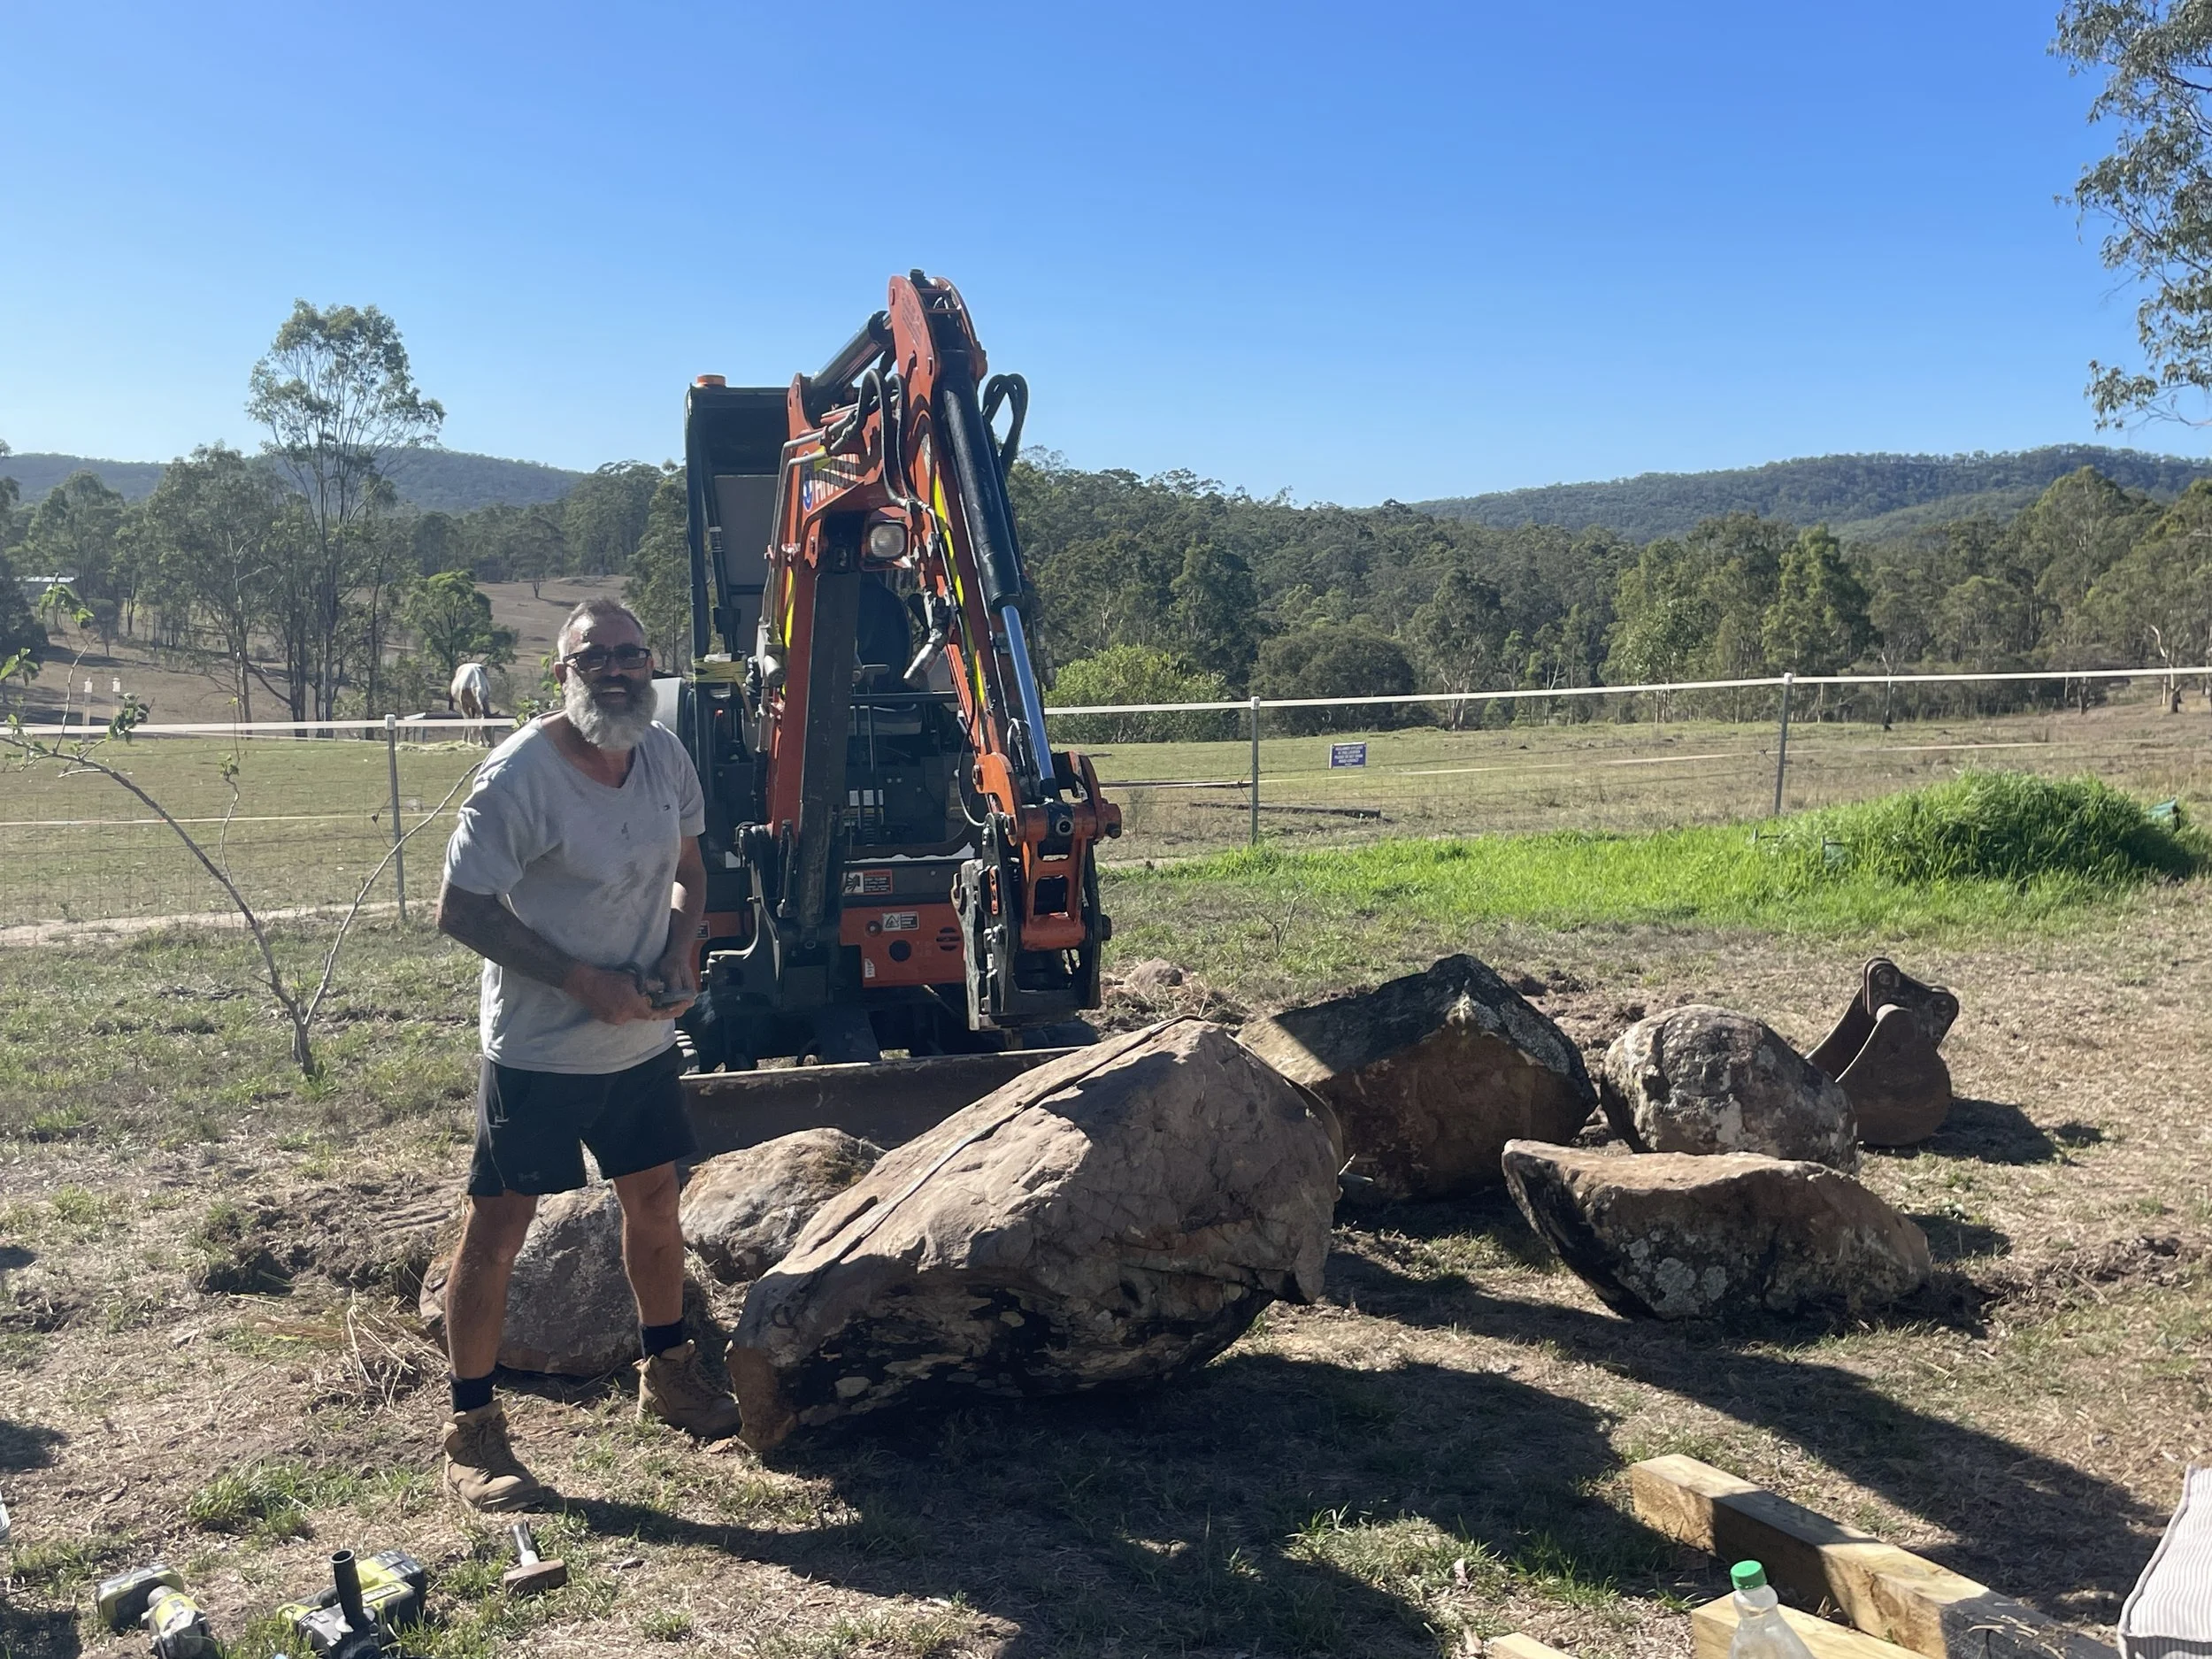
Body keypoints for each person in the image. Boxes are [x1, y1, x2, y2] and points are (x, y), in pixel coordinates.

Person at [432, 596, 740, 1513]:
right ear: (559, 674)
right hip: (538, 1051)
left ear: (651, 668)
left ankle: (669, 1373)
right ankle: (473, 1429)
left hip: (641, 1039)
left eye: (631, 654)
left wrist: (680, 952)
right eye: (592, 655)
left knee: (654, 1202)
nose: (615, 667)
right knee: (498, 1229)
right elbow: (461, 910)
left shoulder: (663, 755)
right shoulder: (517, 778)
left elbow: (691, 873)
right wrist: (582, 983)